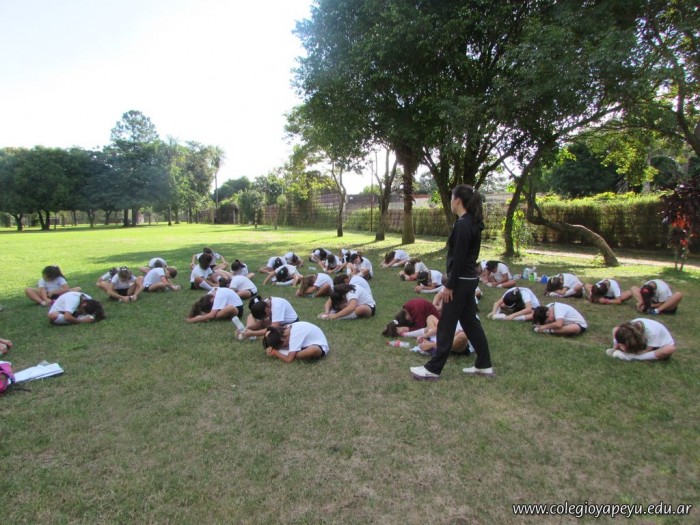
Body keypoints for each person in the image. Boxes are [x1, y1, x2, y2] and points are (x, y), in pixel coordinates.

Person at [410, 185, 493, 380]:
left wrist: (449, 285)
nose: (450, 202)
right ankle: (484, 365)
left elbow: (460, 258)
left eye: (451, 198)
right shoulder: (471, 221)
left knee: (446, 325)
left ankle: (433, 369)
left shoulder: (463, 224)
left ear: (457, 200)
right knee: (470, 323)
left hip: (460, 282)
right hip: (468, 280)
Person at [606, 318, 675, 361]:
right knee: (615, 329)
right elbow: (617, 330)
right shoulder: (630, 326)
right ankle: (622, 351)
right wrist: (616, 344)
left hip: (656, 347)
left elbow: (647, 350)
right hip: (641, 343)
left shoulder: (652, 333)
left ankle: (632, 357)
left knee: (669, 349)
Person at [263, 322, 329, 363]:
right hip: (306, 345)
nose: (286, 346)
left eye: (284, 346)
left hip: (319, 346)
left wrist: (275, 353)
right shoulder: (287, 329)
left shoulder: (295, 334)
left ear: (282, 338)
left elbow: (289, 360)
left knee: (312, 350)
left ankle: (288, 353)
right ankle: (291, 352)